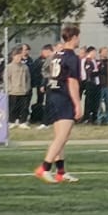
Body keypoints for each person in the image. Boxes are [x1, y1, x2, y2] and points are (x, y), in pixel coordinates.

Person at [35, 24, 84, 183]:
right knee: (62, 136)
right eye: (78, 37)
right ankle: (45, 168)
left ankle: (61, 171)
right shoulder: (71, 57)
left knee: (60, 136)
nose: (79, 40)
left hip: (53, 94)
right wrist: (77, 104)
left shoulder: (57, 54)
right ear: (74, 37)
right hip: (63, 96)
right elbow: (72, 82)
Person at [4, 46, 32, 126]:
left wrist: (27, 87)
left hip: (23, 91)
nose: (19, 58)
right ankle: (12, 121)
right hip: (13, 91)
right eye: (17, 57)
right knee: (13, 107)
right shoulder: (9, 67)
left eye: (20, 57)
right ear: (13, 57)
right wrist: (10, 88)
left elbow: (28, 78)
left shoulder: (25, 67)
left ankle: (22, 122)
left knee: (24, 107)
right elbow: (6, 78)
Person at [32, 44, 56, 127]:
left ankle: (47, 121)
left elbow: (45, 73)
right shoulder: (51, 59)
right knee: (49, 102)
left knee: (50, 102)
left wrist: (43, 84)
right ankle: (48, 121)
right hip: (51, 83)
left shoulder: (52, 59)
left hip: (52, 83)